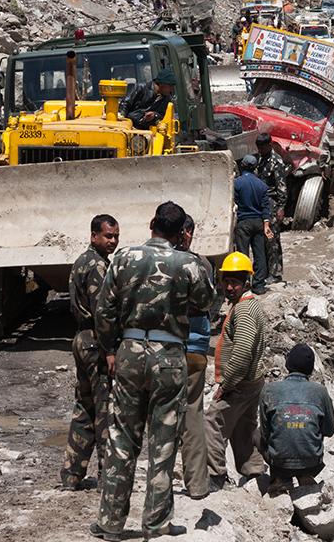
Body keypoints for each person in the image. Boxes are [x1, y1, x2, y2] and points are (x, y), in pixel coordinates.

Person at [91, 202, 215, 541]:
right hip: (169, 356)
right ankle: (157, 523)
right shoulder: (188, 263)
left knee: (121, 439)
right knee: (163, 443)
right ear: (180, 233)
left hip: (129, 351)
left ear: (151, 225)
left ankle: (110, 523)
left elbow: (103, 310)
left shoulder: (124, 258)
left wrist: (110, 347)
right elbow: (206, 302)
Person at [61, 214, 119, 491]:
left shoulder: (81, 262)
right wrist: (110, 349)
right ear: (94, 235)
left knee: (84, 408)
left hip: (81, 338)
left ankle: (72, 474)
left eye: (116, 236)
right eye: (108, 236)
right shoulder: (97, 266)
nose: (113, 241)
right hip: (96, 341)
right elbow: (102, 312)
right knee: (104, 409)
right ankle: (107, 476)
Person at [204, 251, 269, 492]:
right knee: (244, 427)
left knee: (212, 421)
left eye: (235, 282)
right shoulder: (250, 306)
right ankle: (254, 471)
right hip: (253, 381)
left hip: (240, 382)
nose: (229, 287)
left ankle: (214, 475)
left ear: (246, 282)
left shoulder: (243, 311)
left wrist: (226, 384)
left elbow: (242, 350)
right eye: (226, 281)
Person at [259, 343, 334, 495]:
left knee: (256, 435)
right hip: (312, 463)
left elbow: (265, 431)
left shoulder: (269, 389)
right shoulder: (320, 392)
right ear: (310, 369)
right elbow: (329, 430)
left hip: (280, 462)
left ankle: (278, 478)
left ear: (287, 364)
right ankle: (304, 474)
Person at [177, 215, 215, 500]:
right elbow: (208, 305)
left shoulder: (152, 261)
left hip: (161, 347)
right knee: (193, 412)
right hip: (195, 347)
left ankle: (160, 483)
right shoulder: (201, 264)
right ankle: (198, 485)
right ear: (189, 233)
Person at [233, 154, 273, 295]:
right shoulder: (262, 185)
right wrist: (266, 225)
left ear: (242, 166)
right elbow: (266, 207)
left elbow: (234, 203)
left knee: (243, 254)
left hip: (243, 222)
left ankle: (243, 284)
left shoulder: (237, 183)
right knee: (260, 254)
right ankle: (259, 285)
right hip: (258, 222)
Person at [255, 133, 288, 286]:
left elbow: (281, 186)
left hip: (272, 203)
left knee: (272, 239)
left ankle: (275, 273)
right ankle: (266, 270)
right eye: (259, 148)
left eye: (262, 147)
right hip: (262, 202)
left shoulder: (276, 161)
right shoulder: (262, 159)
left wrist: (281, 207)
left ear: (269, 145)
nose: (260, 150)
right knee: (263, 238)